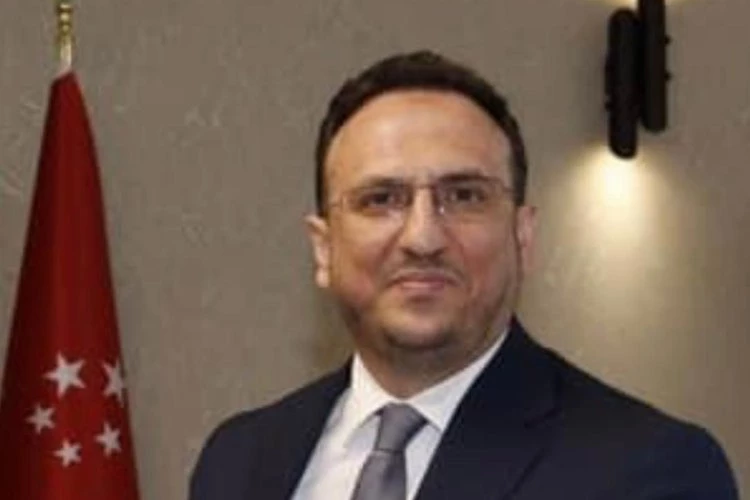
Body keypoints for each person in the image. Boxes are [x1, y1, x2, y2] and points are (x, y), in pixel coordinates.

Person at [190, 51, 738, 500]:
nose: (422, 237)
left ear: (523, 236)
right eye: (381, 199)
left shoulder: (649, 470)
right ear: (324, 247)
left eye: (464, 196)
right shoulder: (238, 462)